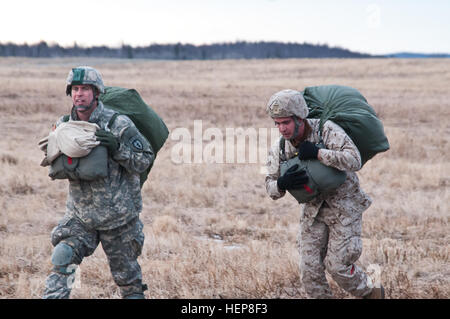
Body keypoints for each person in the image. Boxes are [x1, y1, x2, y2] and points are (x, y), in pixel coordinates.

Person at [42, 66, 154, 299]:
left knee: (129, 283)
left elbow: (144, 160)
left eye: (84, 89)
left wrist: (117, 147)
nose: (79, 94)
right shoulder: (64, 126)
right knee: (64, 259)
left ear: (97, 93)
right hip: (81, 217)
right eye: (74, 89)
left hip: (119, 218)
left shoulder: (118, 123)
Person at [265, 89, 385, 299]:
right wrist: (282, 183)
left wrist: (319, 153)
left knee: (337, 266)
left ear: (300, 118)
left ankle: (372, 292)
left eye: (286, 122)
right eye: (277, 123)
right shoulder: (280, 147)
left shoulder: (326, 130)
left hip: (345, 208)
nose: (281, 128)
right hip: (313, 213)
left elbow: (354, 160)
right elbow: (270, 186)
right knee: (309, 271)